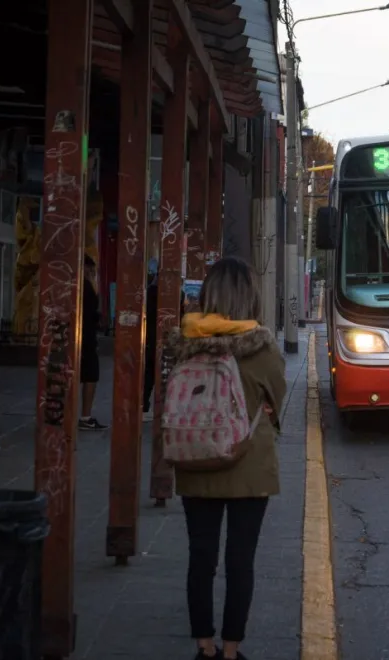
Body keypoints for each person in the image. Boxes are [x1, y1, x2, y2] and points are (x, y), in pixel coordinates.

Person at [168, 256, 286, 660]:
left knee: (200, 558)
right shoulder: (263, 348)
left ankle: (204, 646)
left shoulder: (184, 343)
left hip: (194, 459)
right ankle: (231, 650)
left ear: (208, 295)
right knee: (241, 562)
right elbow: (277, 401)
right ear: (250, 296)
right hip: (248, 467)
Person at [79, 256, 109, 431]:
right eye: (90, 270)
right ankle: (85, 416)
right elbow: (92, 311)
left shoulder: (77, 286)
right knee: (90, 376)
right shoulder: (86, 287)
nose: (92, 274)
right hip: (86, 338)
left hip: (80, 336)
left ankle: (80, 415)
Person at [143, 260, 159, 421]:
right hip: (155, 337)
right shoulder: (158, 292)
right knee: (152, 372)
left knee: (149, 373)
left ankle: (144, 404)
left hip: (149, 336)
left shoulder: (149, 292)